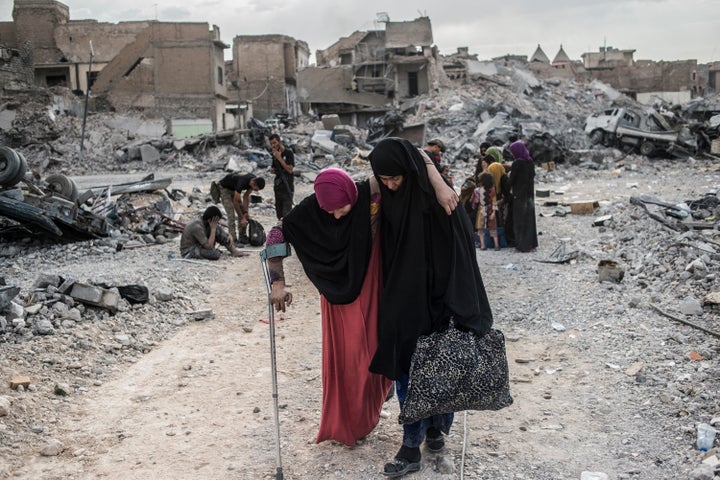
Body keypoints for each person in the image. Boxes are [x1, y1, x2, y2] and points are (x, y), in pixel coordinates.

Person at [266, 163, 457, 447]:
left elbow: (405, 157)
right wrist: (277, 282)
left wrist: (441, 186)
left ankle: (394, 401)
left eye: (340, 207)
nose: (335, 214)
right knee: (351, 361)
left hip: (374, 286)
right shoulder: (315, 206)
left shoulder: (368, 192)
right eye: (329, 210)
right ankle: (352, 422)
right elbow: (276, 234)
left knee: (380, 351)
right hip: (337, 299)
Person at [368, 138, 494, 478]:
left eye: (396, 178)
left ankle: (437, 430)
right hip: (403, 298)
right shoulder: (389, 196)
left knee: (439, 367)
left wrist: (457, 301)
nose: (391, 184)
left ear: (409, 172)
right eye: (385, 179)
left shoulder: (439, 198)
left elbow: (461, 248)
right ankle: (411, 445)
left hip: (439, 299)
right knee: (407, 367)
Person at [179, 206, 247, 260]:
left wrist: (228, 235)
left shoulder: (205, 222)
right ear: (210, 220)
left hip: (200, 245)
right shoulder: (197, 226)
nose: (217, 222)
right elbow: (208, 247)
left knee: (217, 229)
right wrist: (213, 229)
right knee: (214, 254)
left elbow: (219, 230)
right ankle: (216, 251)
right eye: (216, 221)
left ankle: (234, 251)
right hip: (190, 251)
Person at [508, 140, 538, 252]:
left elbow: (511, 181)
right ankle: (531, 244)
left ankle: (522, 246)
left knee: (519, 222)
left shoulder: (517, 164)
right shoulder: (530, 162)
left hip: (519, 197)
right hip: (529, 195)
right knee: (529, 220)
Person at [217, 172, 265, 244]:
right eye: (255, 189)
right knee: (231, 215)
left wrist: (245, 212)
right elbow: (236, 202)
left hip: (234, 189)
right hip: (224, 189)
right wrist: (242, 218)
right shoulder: (241, 182)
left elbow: (246, 197)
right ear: (252, 183)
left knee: (243, 214)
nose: (255, 191)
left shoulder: (253, 180)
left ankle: (242, 236)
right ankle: (233, 239)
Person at [268, 133, 295, 220]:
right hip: (278, 187)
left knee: (287, 215)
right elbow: (274, 168)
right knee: (279, 214)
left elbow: (289, 170)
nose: (273, 145)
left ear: (279, 142)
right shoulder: (275, 155)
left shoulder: (288, 153)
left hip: (287, 187)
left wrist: (279, 158)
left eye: (275, 143)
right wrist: (272, 170)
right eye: (271, 144)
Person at [475, 172, 500, 250]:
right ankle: (496, 245)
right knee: (492, 227)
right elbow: (494, 202)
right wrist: (494, 212)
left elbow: (476, 201)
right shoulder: (492, 190)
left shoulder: (478, 190)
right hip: (490, 210)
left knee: (480, 227)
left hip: (481, 210)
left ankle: (483, 245)